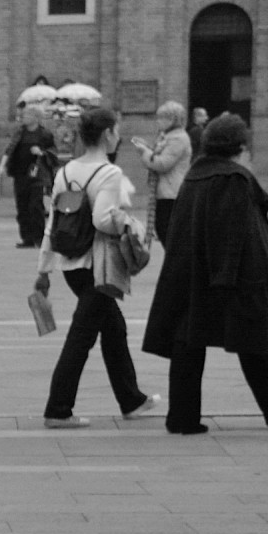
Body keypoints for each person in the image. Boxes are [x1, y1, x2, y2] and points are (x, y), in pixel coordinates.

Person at [142, 114, 268, 435]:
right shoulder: (234, 179)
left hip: (191, 275)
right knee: (255, 340)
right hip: (231, 277)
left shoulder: (195, 175)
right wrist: (250, 279)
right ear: (241, 147)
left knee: (188, 344)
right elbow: (239, 234)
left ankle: (182, 416)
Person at [34, 105, 158, 429]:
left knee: (113, 328)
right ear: (107, 134)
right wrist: (128, 223)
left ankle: (131, 400)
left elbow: (53, 222)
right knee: (82, 335)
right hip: (98, 264)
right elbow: (102, 218)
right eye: (116, 130)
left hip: (71, 264)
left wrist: (43, 269)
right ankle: (58, 409)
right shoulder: (109, 172)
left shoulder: (65, 171)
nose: (117, 136)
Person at [130, 101, 193, 243]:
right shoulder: (167, 136)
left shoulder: (179, 138)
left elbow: (163, 164)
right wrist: (146, 147)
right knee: (163, 230)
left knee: (168, 233)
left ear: (172, 119)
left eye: (161, 118)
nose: (158, 121)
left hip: (172, 193)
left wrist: (144, 152)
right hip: (164, 192)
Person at [0, 102, 58, 248]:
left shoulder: (44, 134)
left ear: (37, 118)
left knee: (36, 206)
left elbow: (53, 153)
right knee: (22, 206)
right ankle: (27, 238)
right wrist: (2, 166)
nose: (24, 117)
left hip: (37, 175)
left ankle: (39, 237)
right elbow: (10, 149)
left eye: (28, 115)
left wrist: (41, 152)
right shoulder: (20, 132)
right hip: (20, 174)